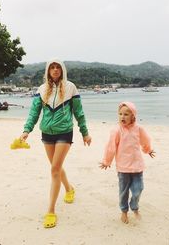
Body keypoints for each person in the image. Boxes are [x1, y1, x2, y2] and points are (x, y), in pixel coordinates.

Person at [20, 58, 92, 228]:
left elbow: (79, 112)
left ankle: (51, 211)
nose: (55, 70)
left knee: (54, 169)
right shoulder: (41, 89)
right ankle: (69, 188)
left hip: (64, 132)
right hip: (47, 133)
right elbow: (34, 113)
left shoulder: (70, 88)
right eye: (52, 67)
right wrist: (26, 131)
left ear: (62, 70)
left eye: (57, 67)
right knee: (56, 167)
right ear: (47, 71)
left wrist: (85, 132)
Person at [99, 101, 155, 224]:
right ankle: (124, 211)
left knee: (138, 189)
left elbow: (145, 141)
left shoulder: (139, 129)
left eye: (126, 114)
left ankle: (134, 207)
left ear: (133, 116)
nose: (122, 117)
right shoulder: (117, 131)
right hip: (123, 168)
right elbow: (111, 147)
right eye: (120, 114)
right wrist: (106, 161)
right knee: (123, 192)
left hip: (137, 167)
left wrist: (148, 150)